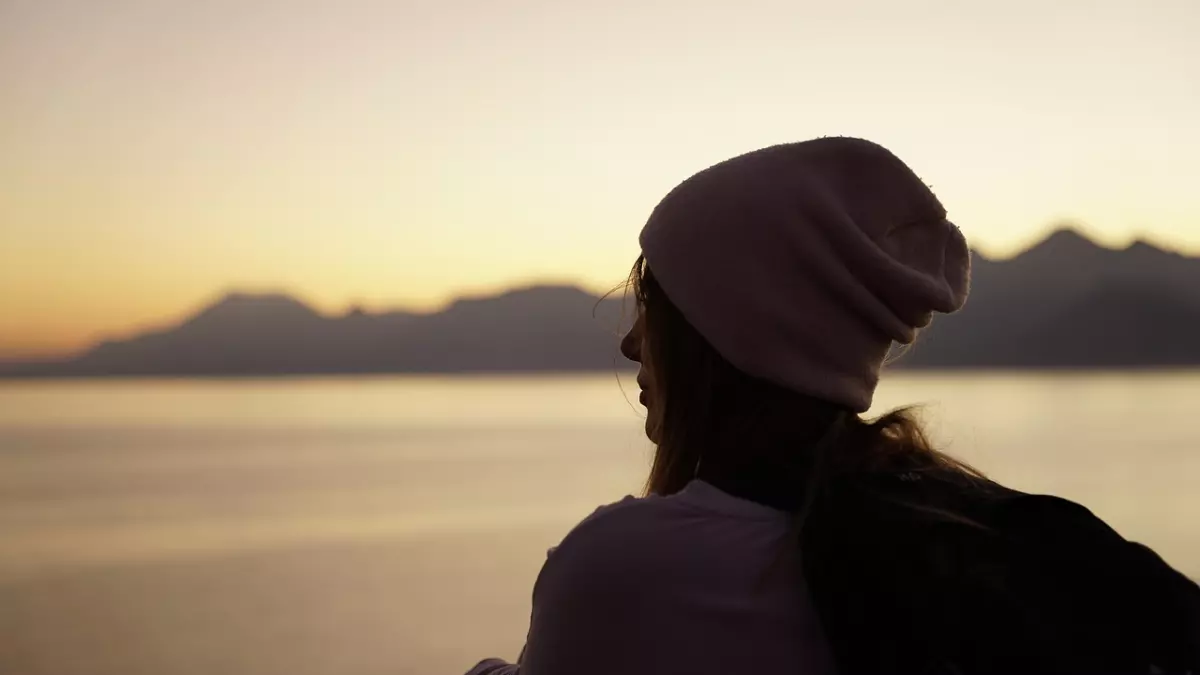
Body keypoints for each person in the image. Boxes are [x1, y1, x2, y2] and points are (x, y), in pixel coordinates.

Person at [467, 138, 1200, 675]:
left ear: (720, 339)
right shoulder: (953, 528)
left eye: (654, 310)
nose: (632, 346)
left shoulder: (623, 570)